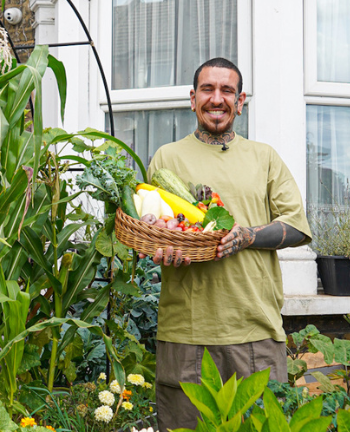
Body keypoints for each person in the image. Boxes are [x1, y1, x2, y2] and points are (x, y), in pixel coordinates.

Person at [146, 57, 311, 431]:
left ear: (240, 101)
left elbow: (297, 227)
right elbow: (157, 229)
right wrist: (165, 250)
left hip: (254, 330)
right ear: (192, 99)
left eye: (227, 91)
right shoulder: (166, 159)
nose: (216, 99)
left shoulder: (264, 157)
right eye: (207, 89)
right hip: (186, 333)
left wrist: (247, 235)